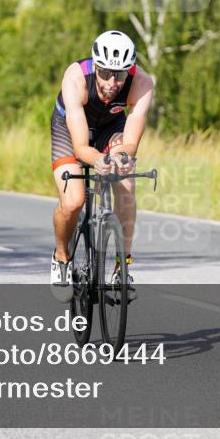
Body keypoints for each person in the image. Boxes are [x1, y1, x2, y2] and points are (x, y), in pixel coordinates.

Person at [49, 30, 154, 302]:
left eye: (119, 75)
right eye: (106, 73)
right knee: (73, 201)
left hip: (111, 127)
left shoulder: (142, 82)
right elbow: (82, 147)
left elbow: (130, 142)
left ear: (129, 70)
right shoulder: (75, 78)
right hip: (70, 129)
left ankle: (123, 267)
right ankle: (61, 256)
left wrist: (121, 158)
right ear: (96, 66)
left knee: (126, 182)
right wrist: (97, 160)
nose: (112, 82)